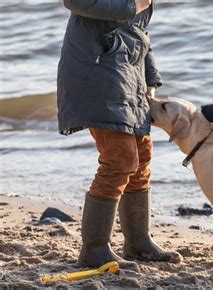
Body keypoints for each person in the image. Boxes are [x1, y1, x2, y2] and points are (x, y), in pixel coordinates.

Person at [57, 0, 182, 268]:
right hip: (98, 69)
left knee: (142, 155)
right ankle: (94, 250)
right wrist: (131, 6)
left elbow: (141, 32)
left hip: (129, 73)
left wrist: (150, 78)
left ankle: (138, 242)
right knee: (120, 160)